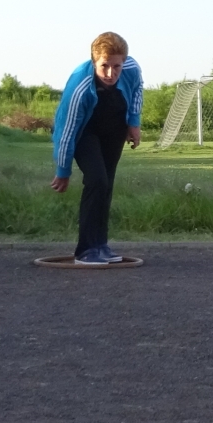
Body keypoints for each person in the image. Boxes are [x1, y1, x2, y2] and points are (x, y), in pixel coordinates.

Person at [51, 33, 143, 265]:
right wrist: (63, 170)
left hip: (114, 126)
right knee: (97, 180)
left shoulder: (131, 68)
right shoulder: (80, 88)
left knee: (107, 184)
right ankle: (85, 250)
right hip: (84, 132)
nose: (111, 73)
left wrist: (134, 123)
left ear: (123, 62)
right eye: (104, 66)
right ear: (94, 62)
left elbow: (137, 90)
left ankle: (101, 245)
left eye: (116, 66)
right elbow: (66, 131)